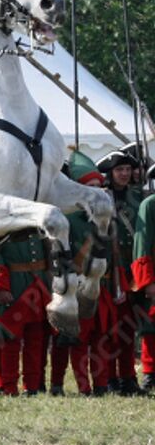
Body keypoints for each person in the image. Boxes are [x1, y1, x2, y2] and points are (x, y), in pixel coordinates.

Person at [49, 151, 113, 396]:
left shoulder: (106, 219)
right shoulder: (69, 219)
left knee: (100, 338)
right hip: (76, 286)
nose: (97, 192)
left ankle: (101, 383)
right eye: (91, 187)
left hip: (101, 286)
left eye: (99, 186)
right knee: (74, 340)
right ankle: (81, 386)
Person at [97, 149, 143, 395]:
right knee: (109, 329)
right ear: (110, 173)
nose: (124, 174)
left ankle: (128, 377)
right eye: (119, 170)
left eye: (127, 169)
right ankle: (110, 378)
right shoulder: (101, 199)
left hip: (133, 270)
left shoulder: (139, 197)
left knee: (127, 327)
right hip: (110, 271)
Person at [0, 233, 51, 395]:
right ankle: (9, 386)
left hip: (38, 286)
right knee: (10, 340)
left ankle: (32, 386)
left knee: (35, 339)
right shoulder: (3, 227)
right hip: (15, 286)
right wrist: (0, 286)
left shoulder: (38, 226)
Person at [131, 161, 155, 393]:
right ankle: (149, 373)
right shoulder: (149, 205)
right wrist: (147, 281)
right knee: (151, 330)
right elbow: (141, 245)